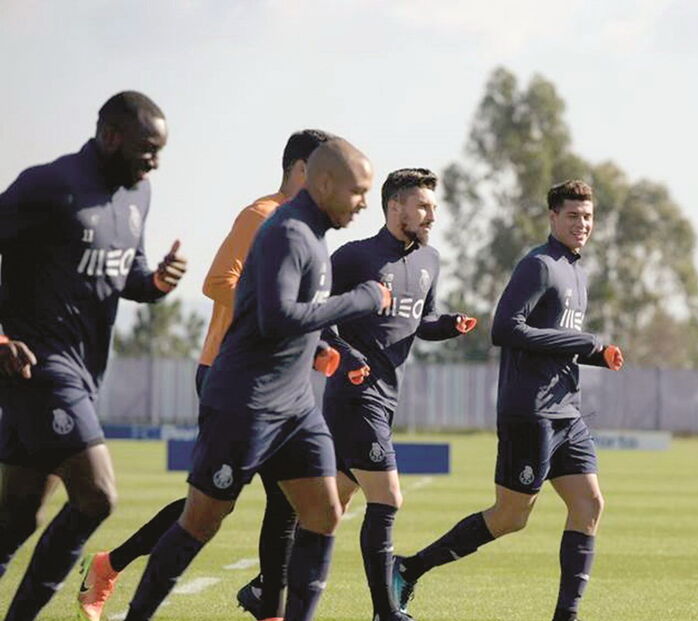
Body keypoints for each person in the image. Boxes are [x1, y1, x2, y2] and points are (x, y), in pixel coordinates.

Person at [122, 137, 391, 621]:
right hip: (245, 402)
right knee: (202, 521)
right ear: (323, 182)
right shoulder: (286, 231)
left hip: (294, 408)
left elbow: (283, 316)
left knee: (324, 514)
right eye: (359, 192)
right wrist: (363, 300)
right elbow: (278, 317)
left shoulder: (313, 233)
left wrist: (321, 348)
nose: (364, 203)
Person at [76, 130, 340, 621]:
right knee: (209, 507)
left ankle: (272, 613)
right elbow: (218, 281)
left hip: (283, 384)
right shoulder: (262, 215)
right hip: (230, 375)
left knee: (287, 506)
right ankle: (110, 566)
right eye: (334, 174)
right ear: (303, 170)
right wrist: (278, 314)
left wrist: (319, 344)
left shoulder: (311, 230)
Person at [392, 180, 624, 621]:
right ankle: (408, 568)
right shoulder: (538, 265)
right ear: (553, 217)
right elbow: (505, 329)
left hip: (567, 412)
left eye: (588, 217)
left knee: (589, 504)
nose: (582, 225)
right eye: (573, 216)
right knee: (512, 515)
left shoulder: (578, 271)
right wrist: (579, 341)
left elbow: (556, 339)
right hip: (530, 411)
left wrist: (595, 353)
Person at [0, 91, 187, 621]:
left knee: (16, 518)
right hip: (36, 365)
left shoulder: (138, 194)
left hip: (83, 372)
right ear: (111, 137)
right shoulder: (49, 185)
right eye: (147, 149)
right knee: (97, 496)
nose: (155, 162)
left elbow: (129, 274)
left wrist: (156, 283)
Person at [322, 168, 476, 621]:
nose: (432, 215)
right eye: (423, 206)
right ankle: (385, 612)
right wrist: (347, 356)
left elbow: (421, 323)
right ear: (395, 207)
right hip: (354, 396)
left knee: (330, 506)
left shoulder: (430, 260)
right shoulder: (353, 258)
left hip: (388, 397)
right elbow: (319, 319)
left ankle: (263, 587)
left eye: (433, 207)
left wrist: (447, 326)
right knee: (388, 498)